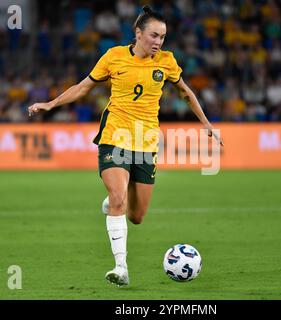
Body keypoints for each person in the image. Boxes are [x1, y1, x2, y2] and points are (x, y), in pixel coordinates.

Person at [28, 5, 223, 287]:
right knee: (120, 198)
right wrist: (51, 103)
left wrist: (205, 123)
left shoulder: (166, 62)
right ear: (138, 33)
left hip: (146, 143)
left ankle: (112, 201)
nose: (158, 42)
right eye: (154, 35)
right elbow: (83, 87)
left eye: (163, 37)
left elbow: (185, 92)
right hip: (114, 137)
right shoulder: (114, 57)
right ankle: (121, 268)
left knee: (137, 216)